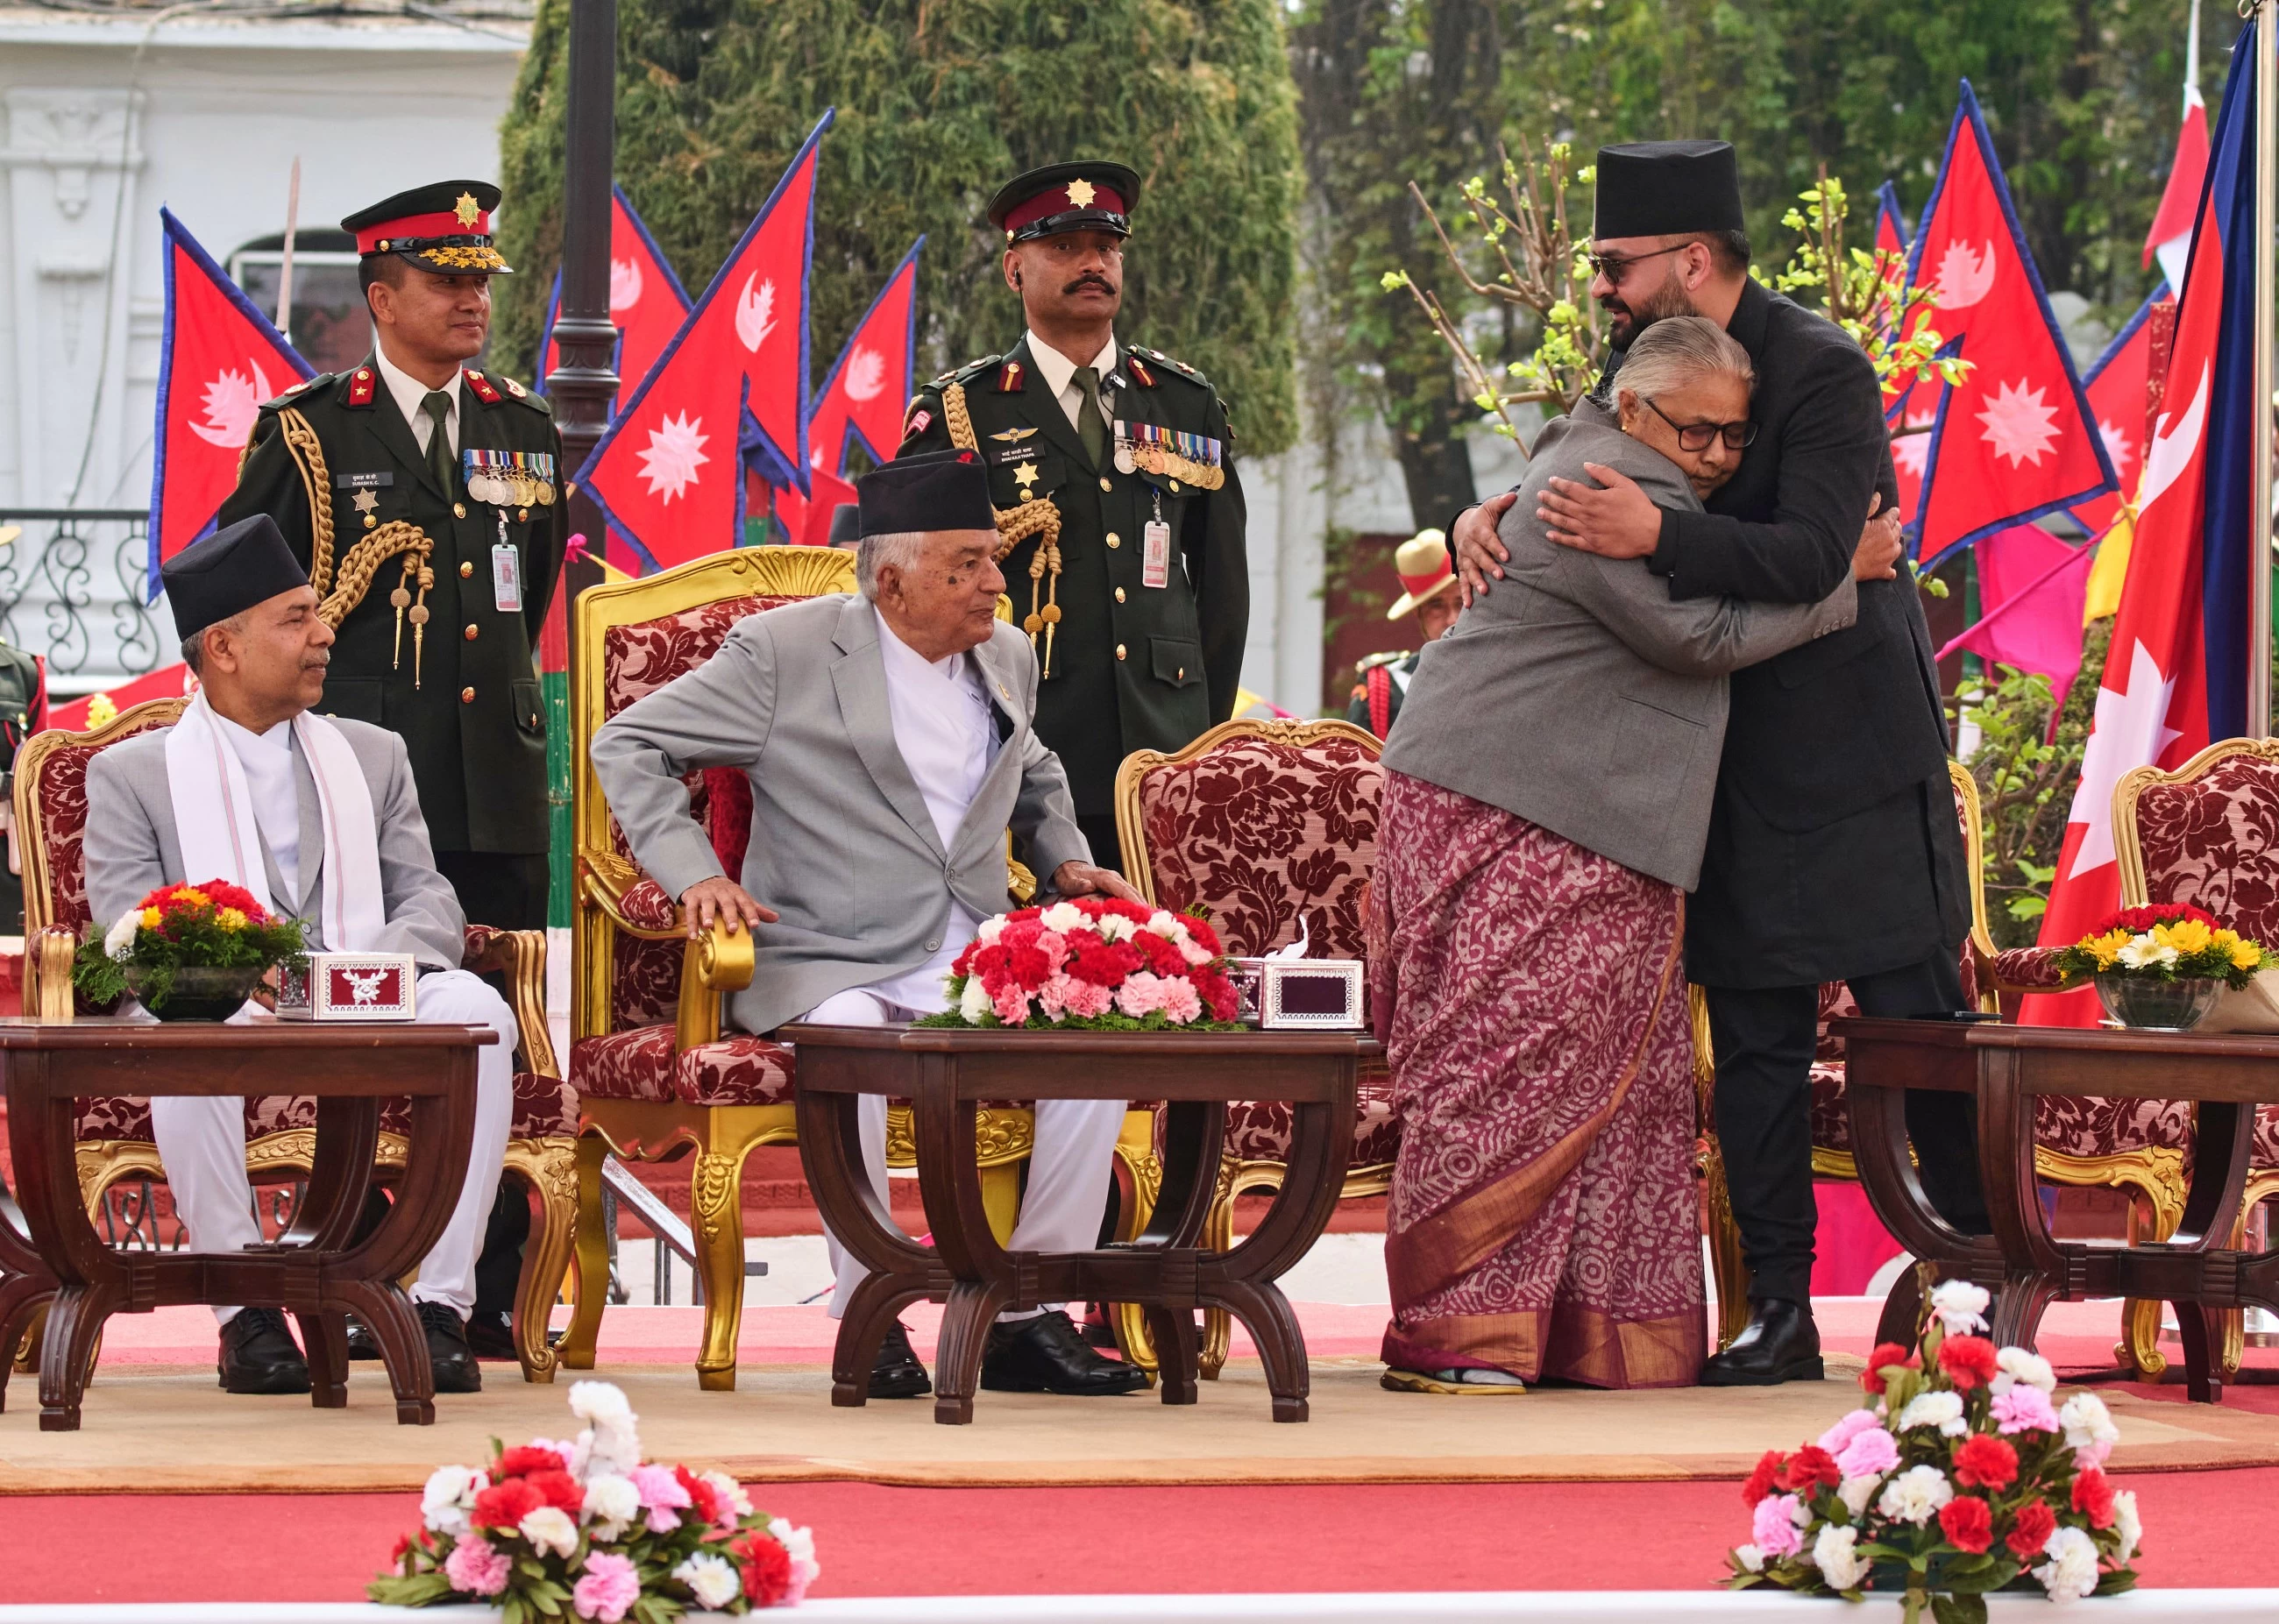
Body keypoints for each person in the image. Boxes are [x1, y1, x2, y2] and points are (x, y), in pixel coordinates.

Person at [1447, 139, 1976, 1386]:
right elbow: (1578, 473)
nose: (1600, 292)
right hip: (1723, 759)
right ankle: (1778, 1313)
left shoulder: (1825, 370)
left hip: (1852, 763)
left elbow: (1822, 553)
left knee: (1924, 1031)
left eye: (1615, 268)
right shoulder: (1638, 363)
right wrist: (1493, 516)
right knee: (1755, 1047)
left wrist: (1659, 535)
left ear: (1692, 259)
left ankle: (1978, 1278)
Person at [592, 452, 1150, 1401]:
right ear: (889, 579)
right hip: (826, 952)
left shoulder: (1005, 652)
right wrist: (696, 876)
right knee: (851, 1044)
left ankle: (1026, 1310)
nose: (994, 582)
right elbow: (628, 740)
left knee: (1092, 1047)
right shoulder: (782, 653)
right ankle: (870, 1311)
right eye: (966, 563)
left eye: (993, 559)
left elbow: (1036, 764)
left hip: (973, 945)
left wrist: (1061, 853)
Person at [1369, 318, 1862, 1394]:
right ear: (1636, 408)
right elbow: (1697, 637)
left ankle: (1591, 1335)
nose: (1720, 458)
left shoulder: (1622, 464)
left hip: (1576, 806)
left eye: (1734, 438)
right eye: (1700, 433)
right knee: (1508, 1058)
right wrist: (1843, 580)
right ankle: (1461, 1334)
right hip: (1512, 796)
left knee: (1614, 1084)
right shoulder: (1597, 484)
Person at [217, 179, 566, 1355]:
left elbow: (533, 596)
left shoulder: (523, 427)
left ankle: (482, 1296)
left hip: (496, 783)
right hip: (361, 788)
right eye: (445, 279)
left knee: (495, 1026)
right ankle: (361, 1272)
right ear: (380, 295)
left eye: (480, 280)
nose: (471, 300)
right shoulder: (312, 432)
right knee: (363, 1021)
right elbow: (254, 593)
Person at [82, 514, 517, 1396]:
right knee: (181, 1033)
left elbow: (427, 893)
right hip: (222, 996)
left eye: (316, 614)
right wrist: (234, 972)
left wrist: (367, 969)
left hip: (367, 986)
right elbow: (124, 928)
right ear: (224, 646)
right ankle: (244, 1312)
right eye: (295, 617)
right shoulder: (134, 774)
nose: (324, 634)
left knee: (482, 1013)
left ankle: (435, 1303)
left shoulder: (372, 754)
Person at [897, 162, 1247, 870]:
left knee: (1168, 966)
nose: (1094, 263)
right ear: (1013, 270)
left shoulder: (1182, 403)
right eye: (1065, 247)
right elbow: (908, 591)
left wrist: (1202, 744)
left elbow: (1223, 591)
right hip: (1020, 743)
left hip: (1164, 749)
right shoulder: (963, 410)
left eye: (1108, 246)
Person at [1347, 528, 1460, 740]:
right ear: (1418, 615)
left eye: (1461, 602)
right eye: (1436, 606)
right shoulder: (1382, 687)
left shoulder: (1510, 673)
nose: (1452, 619)